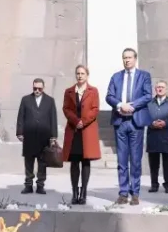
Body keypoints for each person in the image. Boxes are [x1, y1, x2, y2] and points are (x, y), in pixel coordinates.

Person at [105, 48, 152, 206]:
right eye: (125, 58)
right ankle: (123, 193)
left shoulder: (144, 76)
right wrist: (120, 105)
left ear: (135, 59)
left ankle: (135, 193)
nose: (127, 60)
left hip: (136, 122)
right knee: (122, 160)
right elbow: (109, 96)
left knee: (136, 160)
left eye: (130, 57)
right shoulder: (116, 77)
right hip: (120, 122)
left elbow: (147, 95)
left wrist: (132, 106)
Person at [62, 65, 101, 204]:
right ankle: (74, 192)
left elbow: (95, 109)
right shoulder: (69, 91)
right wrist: (75, 121)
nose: (80, 76)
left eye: (82, 73)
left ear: (87, 75)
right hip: (73, 130)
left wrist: (83, 121)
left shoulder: (93, 91)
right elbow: (66, 109)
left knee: (85, 161)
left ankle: (83, 192)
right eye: (78, 73)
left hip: (87, 130)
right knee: (74, 162)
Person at [16, 78, 57, 195]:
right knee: (29, 161)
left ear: (43, 88)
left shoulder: (50, 100)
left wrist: (53, 136)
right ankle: (28, 185)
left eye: (39, 88)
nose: (37, 90)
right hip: (29, 135)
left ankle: (40, 185)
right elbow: (21, 116)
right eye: (35, 88)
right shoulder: (26, 99)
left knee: (42, 162)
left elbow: (53, 118)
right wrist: (19, 132)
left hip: (44, 136)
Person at [146, 80, 168, 193]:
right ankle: (154, 184)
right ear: (155, 89)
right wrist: (151, 123)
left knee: (167, 163)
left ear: (166, 89)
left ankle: (167, 185)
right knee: (153, 164)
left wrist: (165, 123)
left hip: (167, 137)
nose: (160, 89)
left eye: (162, 87)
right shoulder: (149, 103)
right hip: (153, 137)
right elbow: (144, 117)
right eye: (158, 87)